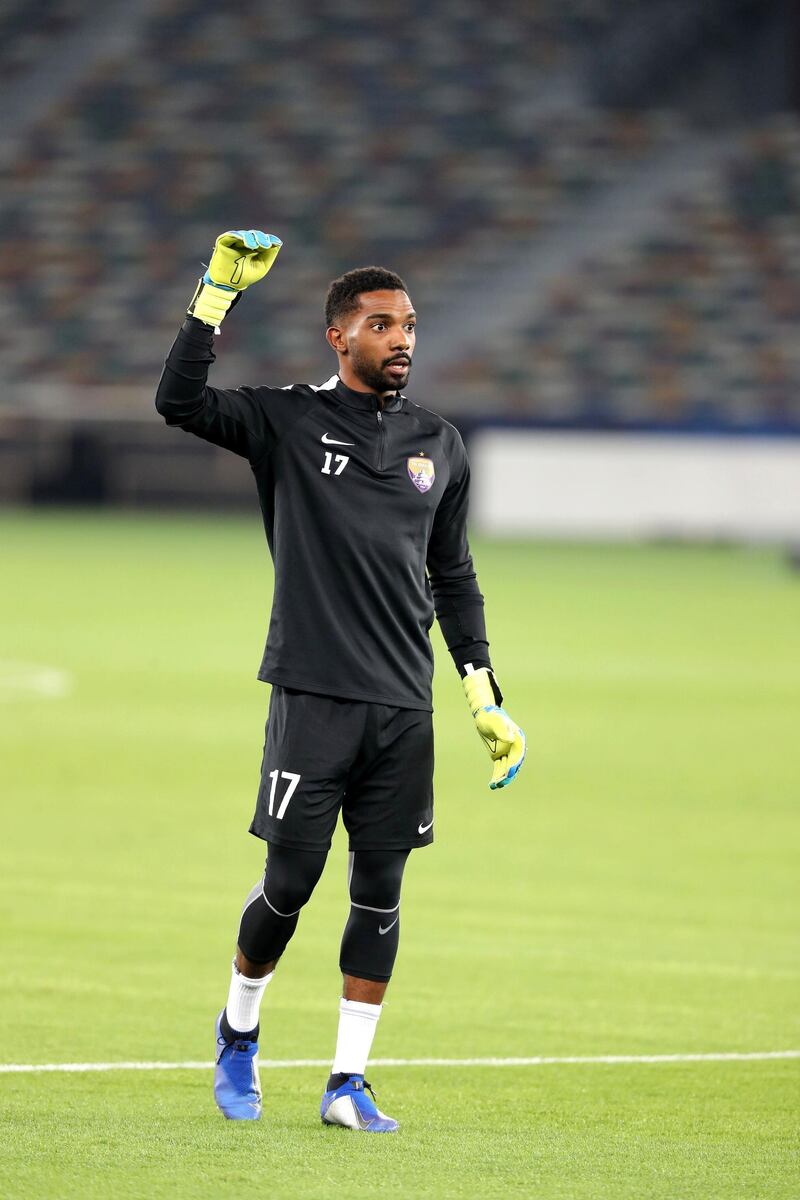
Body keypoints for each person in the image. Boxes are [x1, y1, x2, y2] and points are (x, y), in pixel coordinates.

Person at [154, 230, 525, 1133]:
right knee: (290, 882)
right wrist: (214, 296)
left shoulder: (440, 443)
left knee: (382, 892)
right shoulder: (284, 420)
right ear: (338, 337)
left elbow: (455, 574)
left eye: (409, 325)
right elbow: (179, 401)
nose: (402, 339)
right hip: (313, 696)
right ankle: (238, 1031)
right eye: (381, 324)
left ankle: (346, 1082)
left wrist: (484, 693)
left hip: (405, 706)